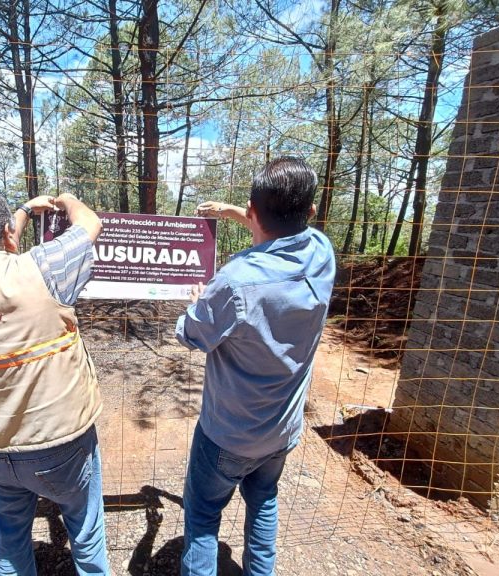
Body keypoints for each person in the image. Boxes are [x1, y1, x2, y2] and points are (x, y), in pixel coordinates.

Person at [175, 157, 336, 576]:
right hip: (282, 433)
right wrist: (234, 213)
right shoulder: (322, 252)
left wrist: (197, 304)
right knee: (264, 501)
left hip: (228, 435)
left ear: (253, 210)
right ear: (312, 212)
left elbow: (192, 336)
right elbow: (283, 237)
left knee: (203, 516)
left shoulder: (234, 280)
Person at [0, 190, 109, 576]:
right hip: (59, 442)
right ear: (8, 233)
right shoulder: (40, 269)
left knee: (11, 538)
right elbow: (89, 224)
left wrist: (27, 211)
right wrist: (67, 200)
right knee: (86, 531)